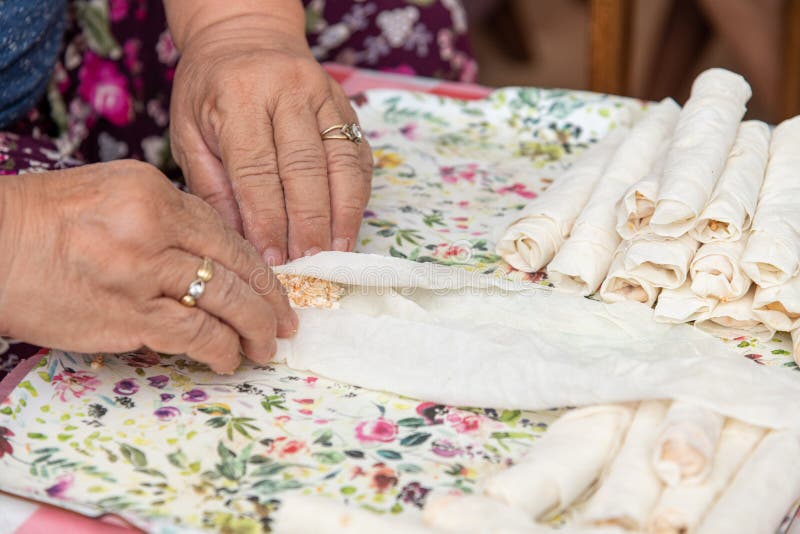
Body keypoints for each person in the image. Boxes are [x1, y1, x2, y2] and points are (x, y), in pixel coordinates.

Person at [0, 0, 474, 375]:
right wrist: (22, 239)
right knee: (63, 354)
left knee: (403, 26)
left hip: (56, 39)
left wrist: (238, 27)